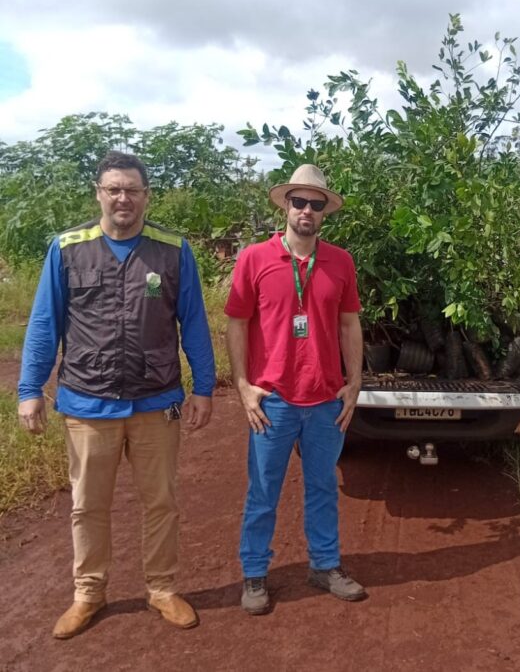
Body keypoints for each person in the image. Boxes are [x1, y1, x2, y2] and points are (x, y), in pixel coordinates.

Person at [17, 151, 215, 638]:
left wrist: (204, 387)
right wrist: (30, 389)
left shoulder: (172, 249)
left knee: (161, 502)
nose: (123, 198)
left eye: (132, 189)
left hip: (156, 400)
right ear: (99, 193)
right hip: (87, 401)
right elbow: (46, 322)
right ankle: (88, 593)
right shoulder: (67, 248)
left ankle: (163, 588)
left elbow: (193, 321)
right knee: (88, 505)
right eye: (114, 189)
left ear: (147, 196)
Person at [225, 163, 365, 614]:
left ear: (325, 212)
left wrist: (355, 382)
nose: (307, 209)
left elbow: (349, 324)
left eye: (316, 203)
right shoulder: (254, 258)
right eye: (299, 201)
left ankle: (325, 565)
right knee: (263, 489)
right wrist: (244, 386)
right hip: (274, 400)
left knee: (323, 486)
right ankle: (255, 574)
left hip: (325, 399)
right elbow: (236, 324)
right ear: (286, 205)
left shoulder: (341, 261)